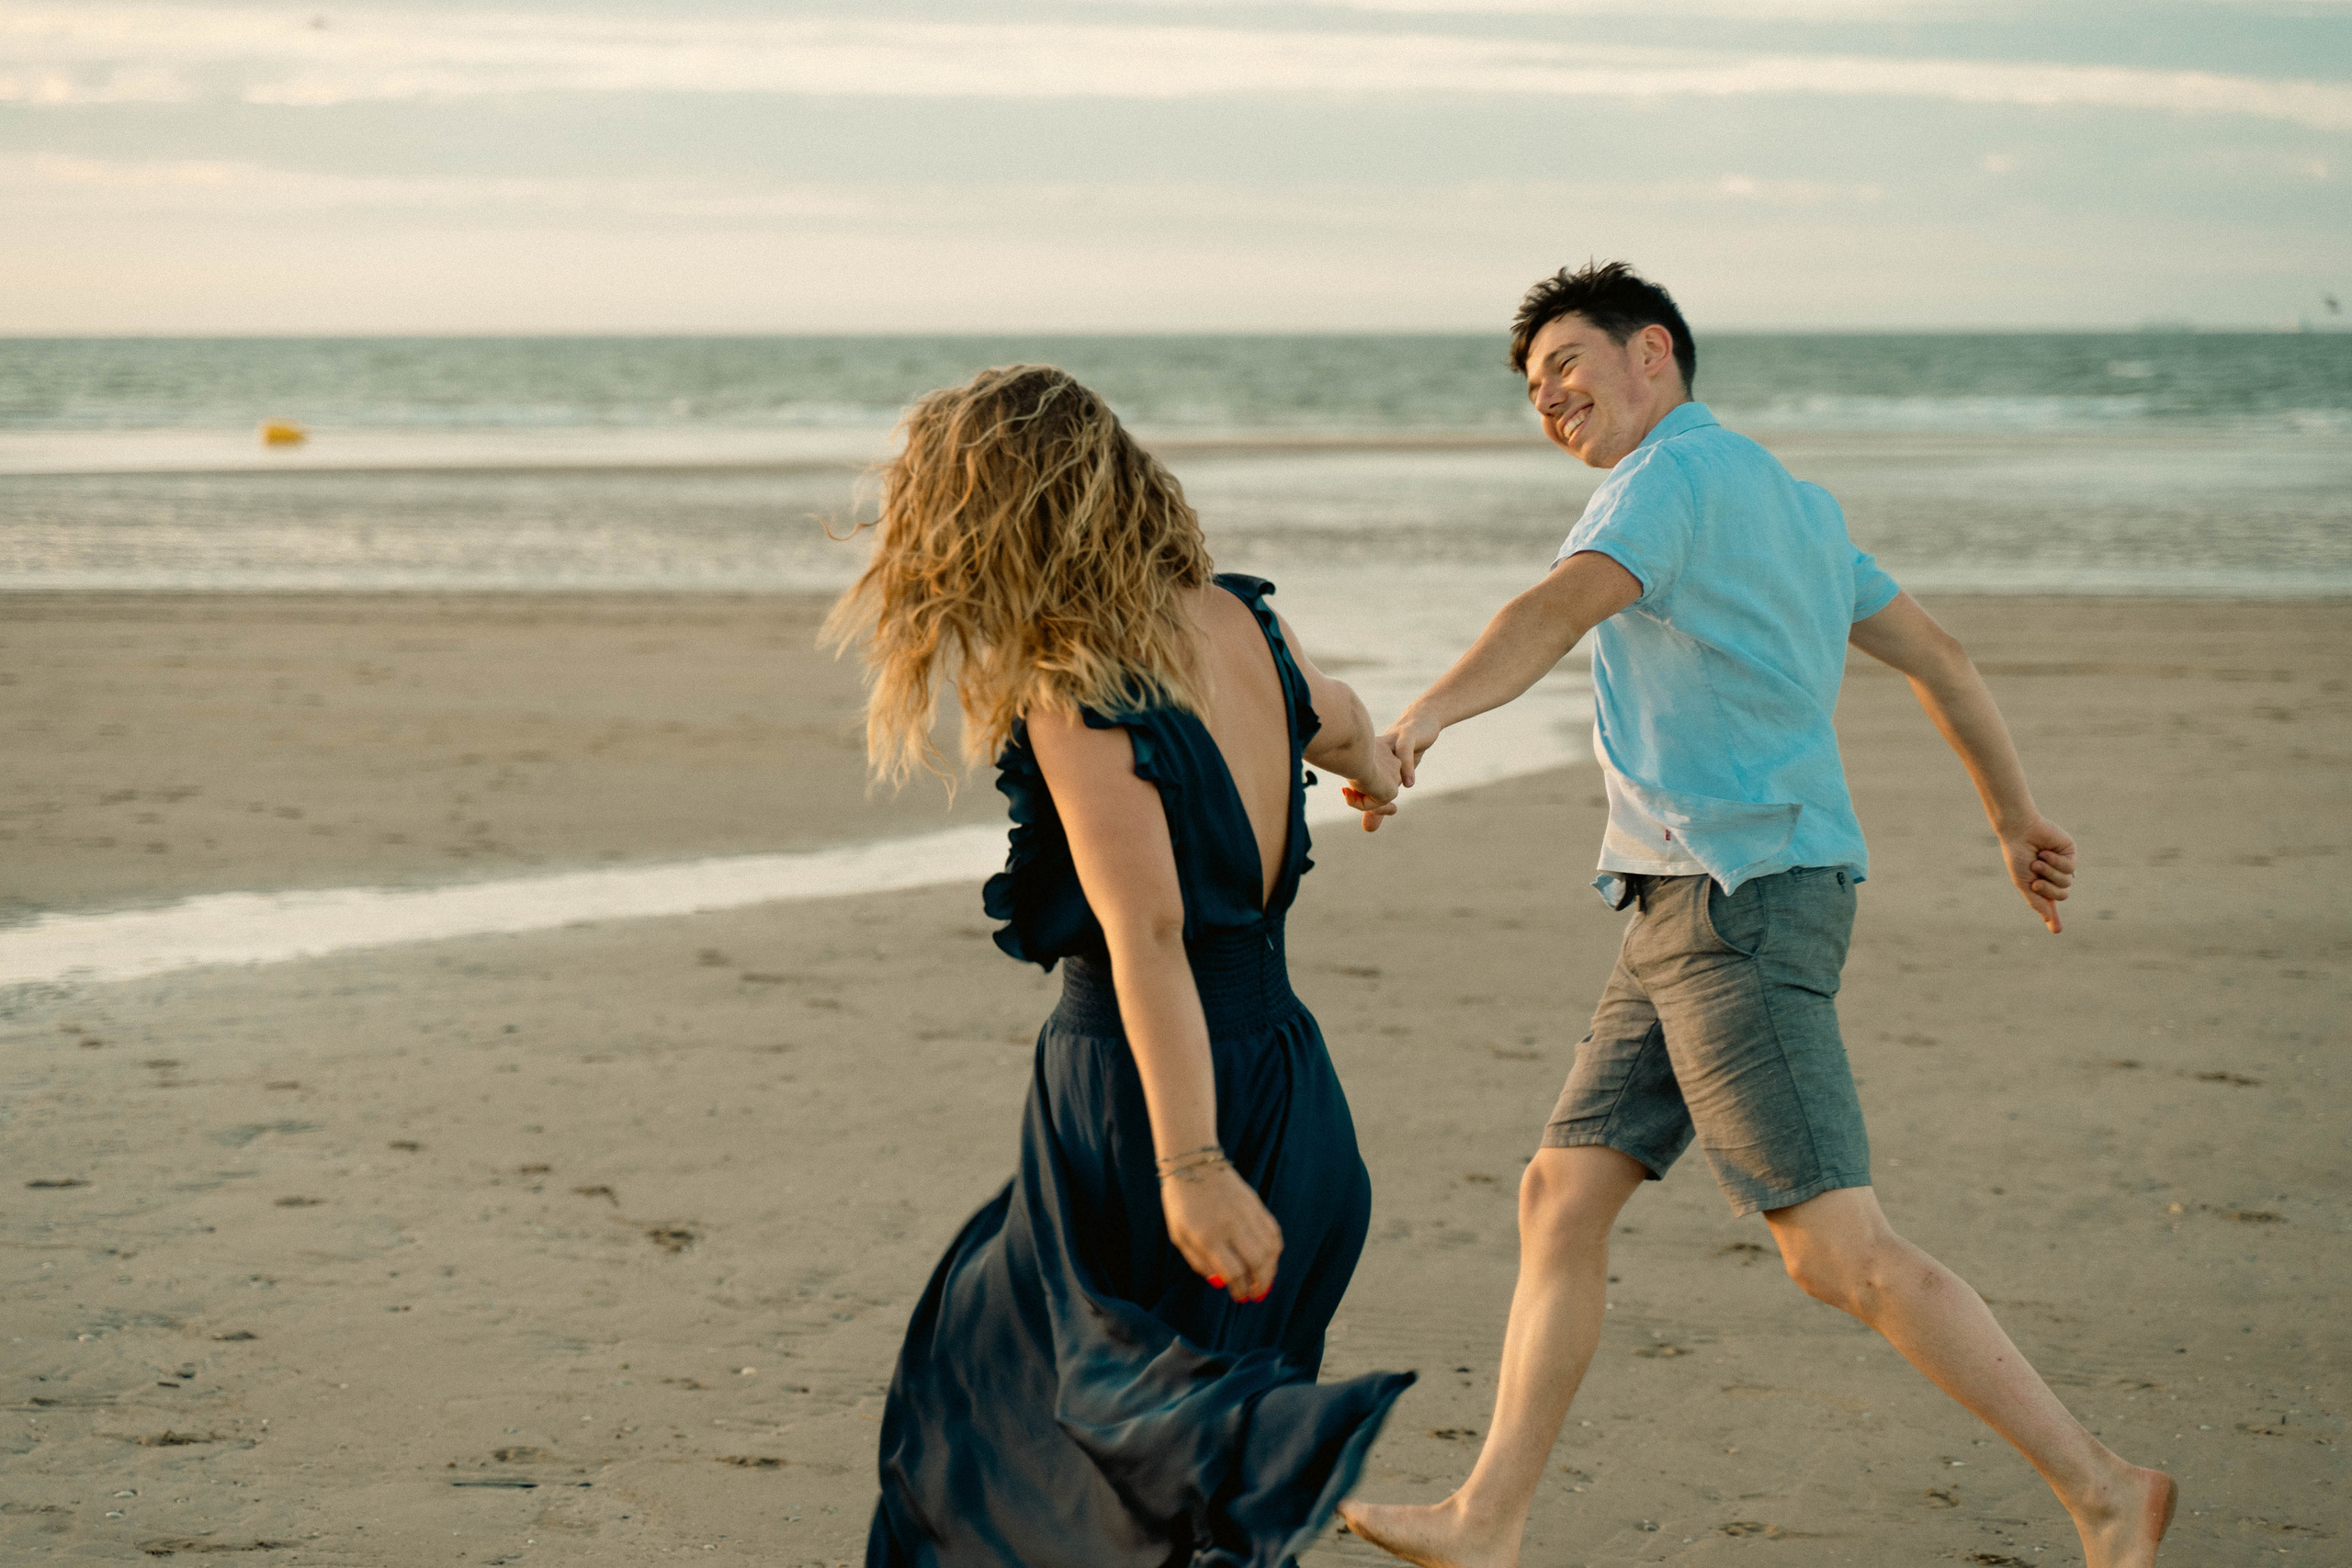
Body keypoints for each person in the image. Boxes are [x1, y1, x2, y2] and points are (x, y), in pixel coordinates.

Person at [1329, 263, 2176, 1568]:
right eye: (1533, 384)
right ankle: (1487, 1518)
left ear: (1651, 352)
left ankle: (2105, 1487)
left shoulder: (1660, 486)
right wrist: (2016, 821)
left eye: (1567, 363)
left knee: (1837, 1250)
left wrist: (1420, 721)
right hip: (1690, 899)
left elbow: (1556, 609)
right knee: (1561, 1193)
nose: (1549, 395)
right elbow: (1938, 655)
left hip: (1740, 900)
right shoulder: (1784, 497)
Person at [826, 364, 1415, 1568]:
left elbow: (1150, 937)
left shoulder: (1075, 685)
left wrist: (1188, 1164)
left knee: (997, 1432)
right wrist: (1380, 766)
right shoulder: (1247, 623)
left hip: (1143, 1113)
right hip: (1294, 1103)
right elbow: (1339, 714)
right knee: (1179, 1485)